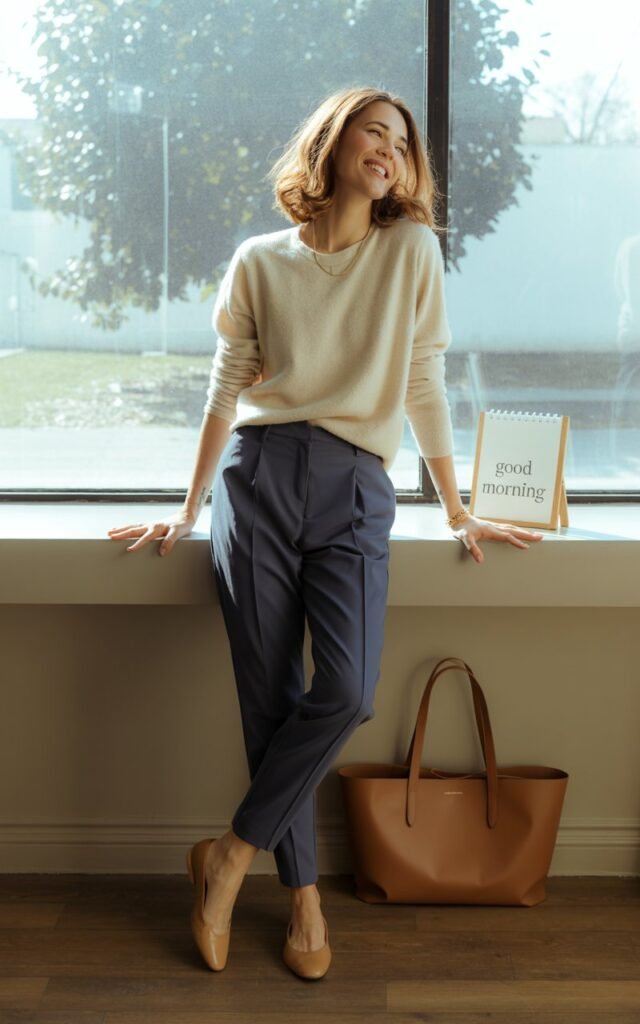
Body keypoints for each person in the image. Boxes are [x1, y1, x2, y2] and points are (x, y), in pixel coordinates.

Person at [108, 85, 543, 980]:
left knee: (344, 690)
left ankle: (228, 856)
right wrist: (191, 510)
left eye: (402, 142)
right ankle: (302, 899)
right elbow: (225, 391)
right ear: (333, 142)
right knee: (267, 697)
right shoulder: (260, 261)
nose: (389, 148)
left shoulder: (412, 250)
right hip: (257, 478)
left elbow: (424, 382)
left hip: (354, 485)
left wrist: (456, 508)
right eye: (373, 131)